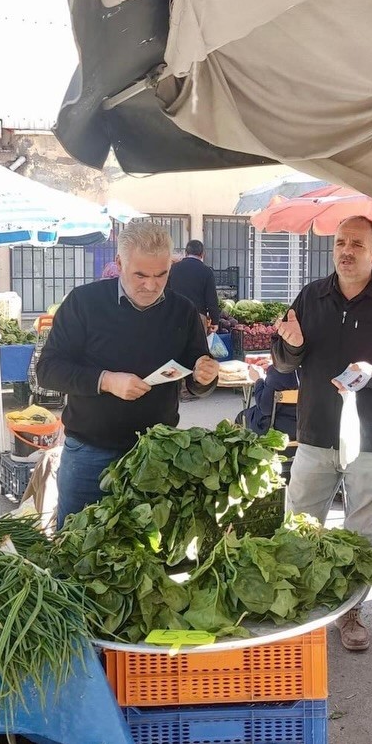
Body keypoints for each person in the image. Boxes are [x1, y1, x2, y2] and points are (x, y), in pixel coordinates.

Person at [272, 215, 372, 652]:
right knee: (300, 524)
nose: (346, 250)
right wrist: (291, 344)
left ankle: (350, 612)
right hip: (317, 430)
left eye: (357, 244)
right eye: (341, 242)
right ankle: (297, 608)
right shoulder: (311, 296)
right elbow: (284, 363)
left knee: (361, 532)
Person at [36, 223, 221, 528]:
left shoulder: (183, 311)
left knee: (146, 553)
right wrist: (107, 381)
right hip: (89, 452)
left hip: (158, 454)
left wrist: (205, 376)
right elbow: (48, 370)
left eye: (161, 275)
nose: (151, 285)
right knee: (77, 547)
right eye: (141, 275)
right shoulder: (84, 302)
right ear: (120, 264)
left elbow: (195, 377)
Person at [167, 239, 222, 327]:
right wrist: (215, 321)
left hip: (176, 315)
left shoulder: (173, 268)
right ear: (202, 254)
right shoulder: (206, 271)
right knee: (198, 341)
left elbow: (166, 292)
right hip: (197, 316)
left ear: (186, 252)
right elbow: (211, 299)